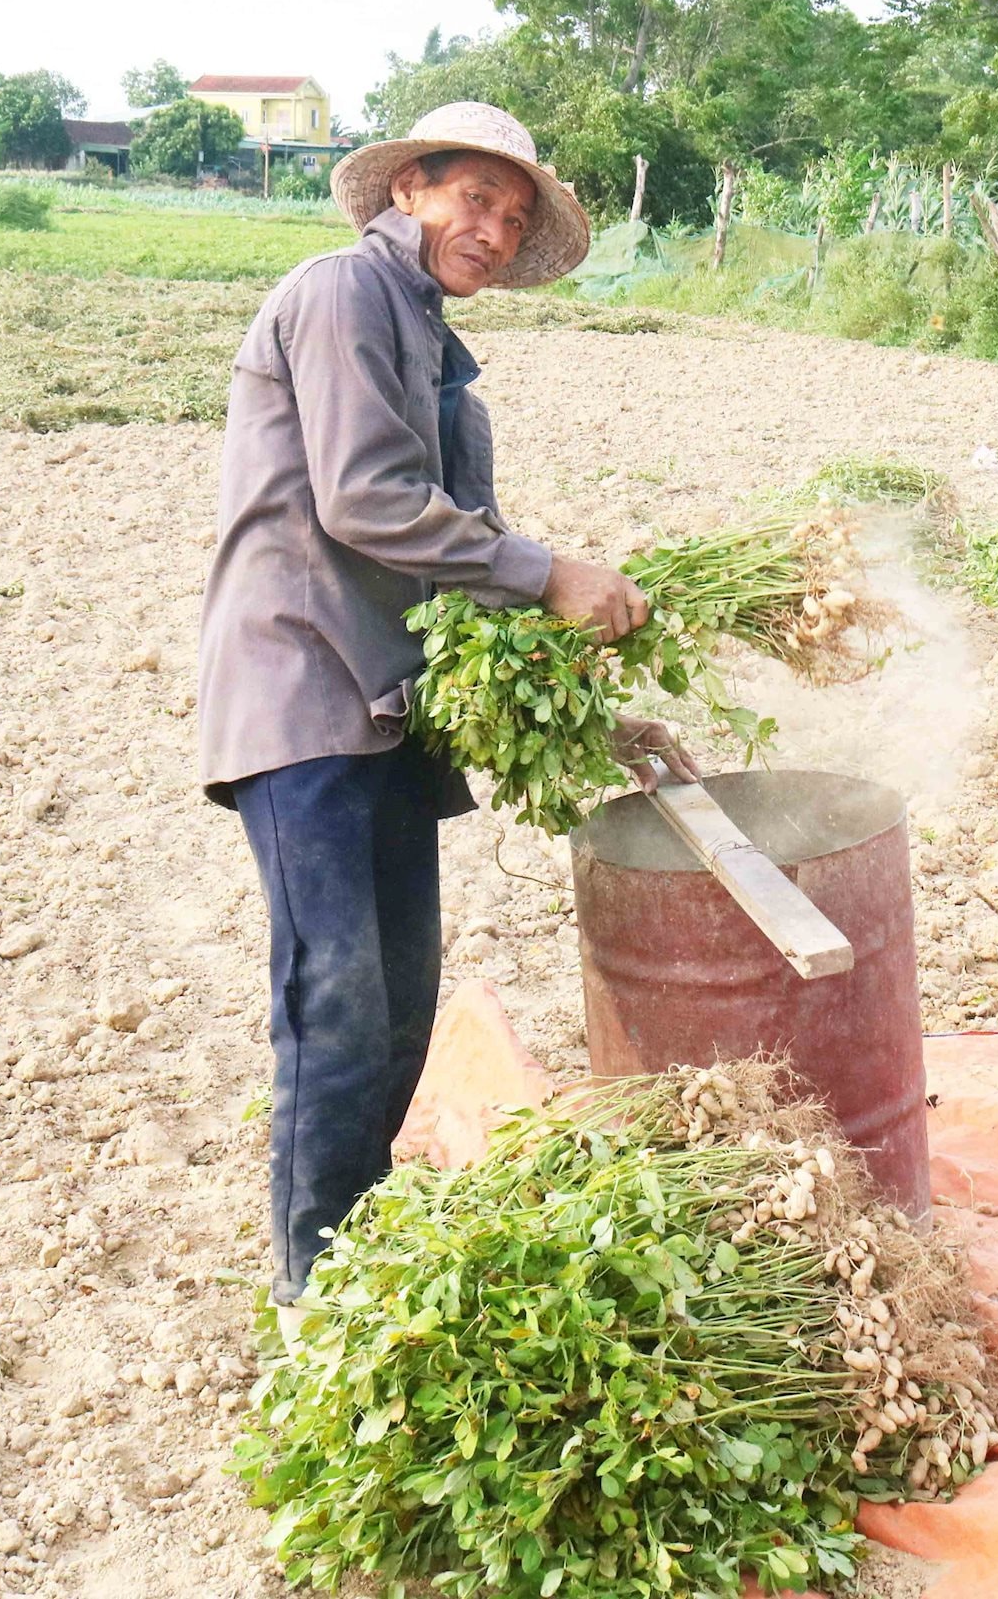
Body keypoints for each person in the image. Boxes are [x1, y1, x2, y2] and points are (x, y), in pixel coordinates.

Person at [197, 102, 699, 1318]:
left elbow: (457, 581)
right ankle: (316, 1283)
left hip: (394, 705)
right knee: (339, 999)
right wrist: (556, 570)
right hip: (307, 688)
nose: (491, 228)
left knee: (404, 998)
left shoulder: (445, 367)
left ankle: (361, 1242)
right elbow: (368, 503)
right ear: (410, 190)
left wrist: (589, 711)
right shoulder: (340, 295)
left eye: (513, 216)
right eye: (475, 198)